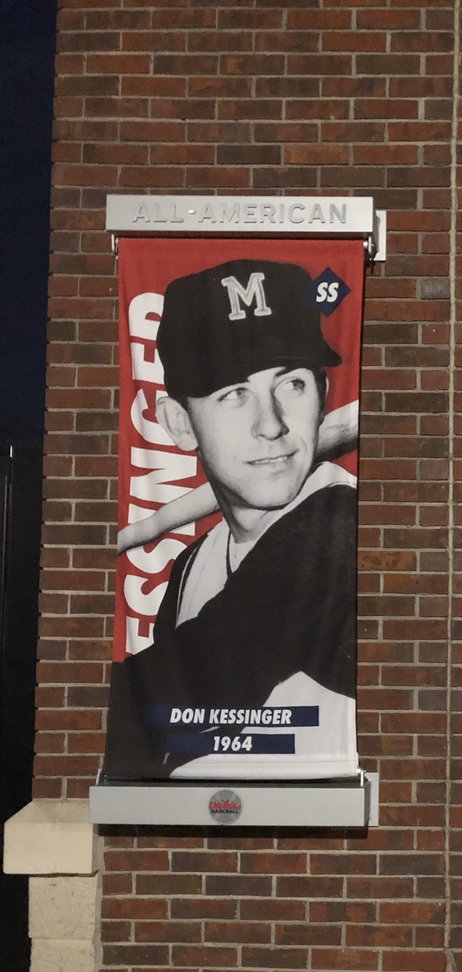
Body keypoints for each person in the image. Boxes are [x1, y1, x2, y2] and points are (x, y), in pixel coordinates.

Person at [104, 258, 358, 781]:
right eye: (234, 394)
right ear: (180, 423)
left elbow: (169, 693)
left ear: (323, 396)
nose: (272, 426)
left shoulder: (338, 529)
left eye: (292, 385)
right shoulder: (190, 568)